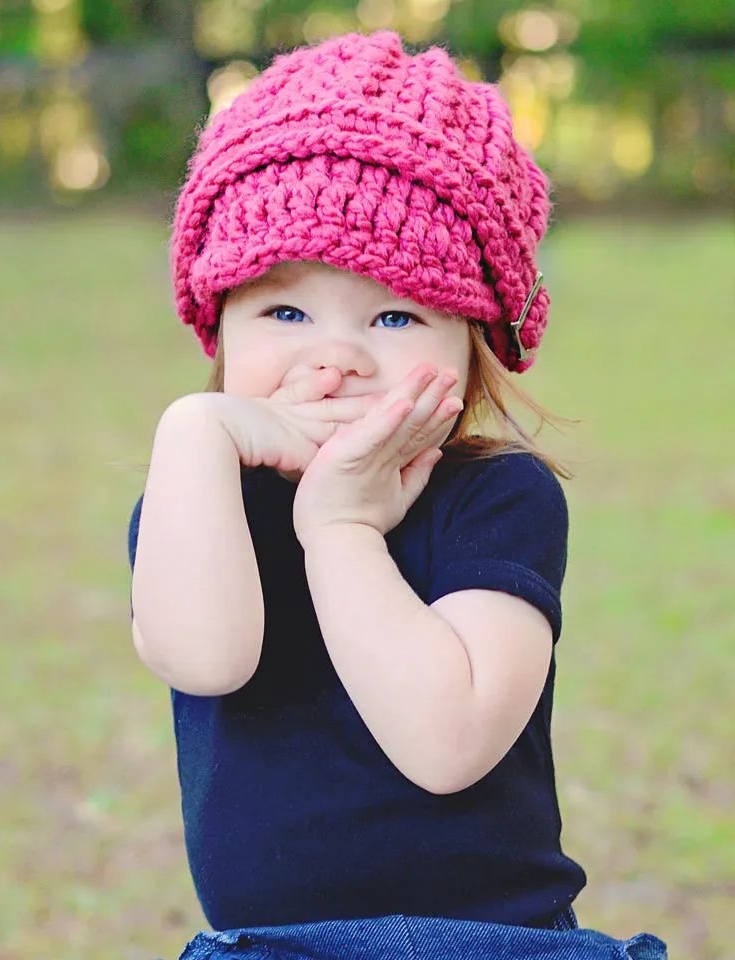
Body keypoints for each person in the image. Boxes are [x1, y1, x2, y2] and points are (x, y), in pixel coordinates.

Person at [128, 30, 667, 960]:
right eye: (284, 311)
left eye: (394, 314)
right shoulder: (199, 492)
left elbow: (447, 742)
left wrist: (341, 529)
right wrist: (193, 429)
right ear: (216, 320)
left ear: (473, 338)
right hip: (270, 946)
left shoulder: (497, 496)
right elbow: (203, 659)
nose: (335, 357)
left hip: (489, 942)